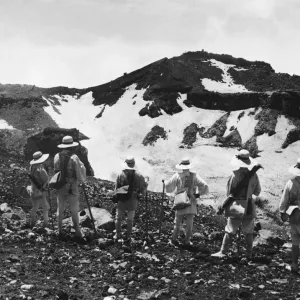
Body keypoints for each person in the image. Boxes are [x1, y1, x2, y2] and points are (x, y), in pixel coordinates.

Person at [212, 149, 261, 259]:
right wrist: (249, 198)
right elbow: (257, 190)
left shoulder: (234, 175)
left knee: (230, 229)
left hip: (237, 204)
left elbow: (229, 193)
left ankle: (223, 252)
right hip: (249, 205)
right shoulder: (254, 175)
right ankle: (249, 254)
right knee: (248, 231)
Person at [165, 157, 209, 246]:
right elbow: (204, 185)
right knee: (189, 223)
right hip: (191, 200)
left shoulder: (177, 175)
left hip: (180, 200)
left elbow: (169, 186)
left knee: (177, 222)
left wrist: (165, 182)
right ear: (189, 166)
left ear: (181, 166)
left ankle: (174, 239)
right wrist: (198, 195)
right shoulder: (194, 176)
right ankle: (187, 241)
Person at [54, 136, 86, 238]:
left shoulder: (57, 156)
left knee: (60, 207)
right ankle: (77, 230)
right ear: (72, 146)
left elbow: (56, 170)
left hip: (60, 185)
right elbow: (78, 171)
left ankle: (59, 229)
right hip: (72, 186)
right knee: (74, 208)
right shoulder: (74, 157)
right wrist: (81, 181)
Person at [114, 156, 148, 243]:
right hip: (132, 200)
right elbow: (143, 190)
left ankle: (118, 234)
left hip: (121, 199)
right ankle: (128, 236)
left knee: (118, 218)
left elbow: (116, 188)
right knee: (130, 219)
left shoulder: (120, 174)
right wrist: (146, 183)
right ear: (134, 164)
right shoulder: (139, 176)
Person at [279, 159, 300, 273]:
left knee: (295, 241)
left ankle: (294, 265)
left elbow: (284, 200)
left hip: (294, 215)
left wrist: (282, 212)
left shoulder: (290, 182)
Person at [27, 151, 50, 227]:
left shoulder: (31, 167)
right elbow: (46, 179)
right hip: (40, 191)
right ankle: (46, 224)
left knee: (35, 207)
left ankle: (32, 222)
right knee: (46, 207)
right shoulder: (40, 168)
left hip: (33, 190)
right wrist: (45, 186)